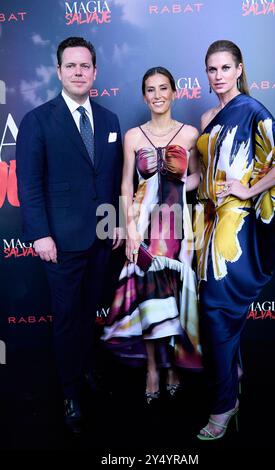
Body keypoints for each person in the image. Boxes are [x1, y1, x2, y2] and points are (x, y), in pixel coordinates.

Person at [16, 36, 123, 434]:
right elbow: (28, 184)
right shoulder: (38, 120)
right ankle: (70, 392)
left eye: (85, 66)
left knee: (89, 314)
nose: (79, 72)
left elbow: (111, 181)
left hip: (100, 239)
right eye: (71, 66)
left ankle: (87, 373)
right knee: (65, 319)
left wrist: (115, 224)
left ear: (95, 72)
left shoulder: (110, 120)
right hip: (58, 244)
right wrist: (40, 234)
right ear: (59, 71)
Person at [195, 39, 275, 440]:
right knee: (216, 311)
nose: (218, 76)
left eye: (225, 68)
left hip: (233, 227)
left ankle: (223, 405)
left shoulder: (252, 109)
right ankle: (232, 376)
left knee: (216, 310)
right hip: (206, 225)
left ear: (239, 69)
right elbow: (203, 178)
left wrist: (250, 189)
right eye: (211, 69)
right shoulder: (208, 115)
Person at [101, 66, 202, 402]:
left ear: (175, 92)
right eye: (150, 90)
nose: (158, 95)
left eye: (163, 88)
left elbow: (197, 179)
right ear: (144, 96)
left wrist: (176, 183)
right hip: (144, 231)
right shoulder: (133, 136)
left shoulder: (190, 134)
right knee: (147, 301)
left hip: (178, 231)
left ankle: (173, 365)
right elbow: (125, 184)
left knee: (173, 298)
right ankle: (153, 370)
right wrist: (130, 230)